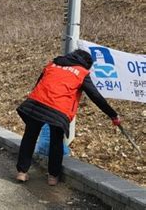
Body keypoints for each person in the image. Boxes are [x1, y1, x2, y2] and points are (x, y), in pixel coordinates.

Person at [15, 50, 120, 186]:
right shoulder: (82, 72)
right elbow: (95, 96)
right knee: (56, 141)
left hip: (36, 103)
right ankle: (52, 176)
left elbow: (39, 83)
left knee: (30, 136)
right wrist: (113, 115)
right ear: (86, 64)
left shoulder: (52, 64)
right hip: (59, 109)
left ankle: (22, 172)